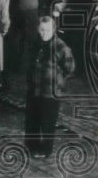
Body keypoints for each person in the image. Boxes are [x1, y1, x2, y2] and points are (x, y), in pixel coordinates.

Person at [25, 16, 74, 158]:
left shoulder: (61, 47)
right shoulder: (36, 44)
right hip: (34, 90)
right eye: (41, 29)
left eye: (47, 30)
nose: (44, 33)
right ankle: (31, 147)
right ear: (37, 29)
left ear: (53, 29)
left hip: (50, 92)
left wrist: (56, 80)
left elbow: (70, 68)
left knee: (47, 122)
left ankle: (44, 150)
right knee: (32, 120)